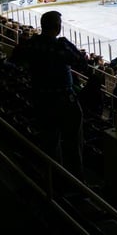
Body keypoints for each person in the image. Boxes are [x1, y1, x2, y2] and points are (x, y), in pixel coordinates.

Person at [9, 10, 88, 179]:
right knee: (74, 143)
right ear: (58, 28)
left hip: (41, 100)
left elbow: (14, 60)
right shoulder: (60, 45)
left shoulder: (31, 45)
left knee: (50, 142)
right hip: (65, 102)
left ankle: (54, 179)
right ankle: (76, 181)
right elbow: (82, 63)